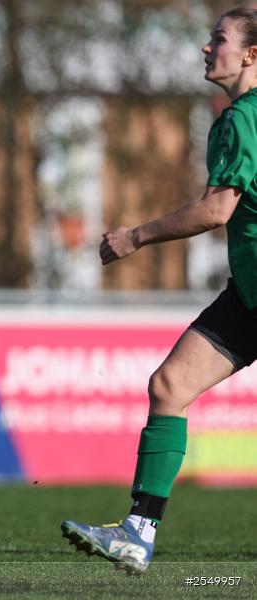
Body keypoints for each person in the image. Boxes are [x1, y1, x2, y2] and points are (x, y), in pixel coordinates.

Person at [61, 5, 257, 575]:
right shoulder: (239, 116)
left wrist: (135, 236)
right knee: (169, 385)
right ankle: (136, 532)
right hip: (248, 292)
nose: (205, 48)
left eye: (217, 39)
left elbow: (218, 209)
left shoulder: (243, 118)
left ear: (250, 54)